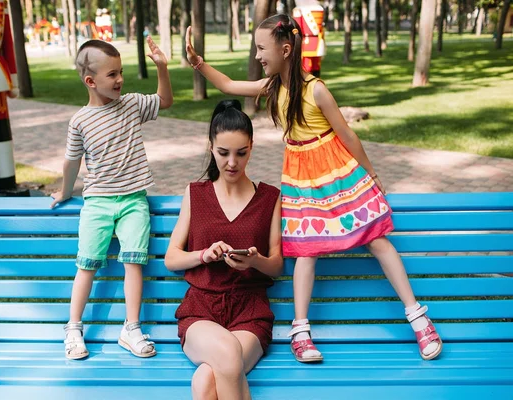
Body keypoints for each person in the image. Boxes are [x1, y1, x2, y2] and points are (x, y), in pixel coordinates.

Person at [184, 14, 442, 363]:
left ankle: (418, 318)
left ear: (285, 49)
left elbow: (347, 134)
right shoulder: (272, 87)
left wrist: (371, 173)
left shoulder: (316, 89)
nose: (258, 55)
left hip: (336, 173)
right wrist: (198, 63)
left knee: (377, 239)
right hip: (301, 178)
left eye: (262, 48)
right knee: (305, 250)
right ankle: (300, 330)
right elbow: (229, 85)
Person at [50, 38, 173, 360]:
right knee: (86, 264)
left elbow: (165, 100)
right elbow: (71, 162)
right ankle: (73, 328)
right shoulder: (80, 121)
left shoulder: (131, 104)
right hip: (98, 204)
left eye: (121, 72)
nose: (120, 80)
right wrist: (65, 191)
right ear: (90, 81)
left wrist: (162, 66)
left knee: (134, 262)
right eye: (112, 74)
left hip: (134, 201)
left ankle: (131, 328)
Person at [165, 100, 283, 399]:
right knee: (227, 356)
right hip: (201, 310)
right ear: (211, 147)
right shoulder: (196, 193)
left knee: (207, 381)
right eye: (223, 153)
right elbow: (172, 259)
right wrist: (203, 254)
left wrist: (255, 261)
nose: (232, 162)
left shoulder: (269, 197)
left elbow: (277, 265)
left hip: (249, 312)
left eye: (241, 153)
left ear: (252, 147)